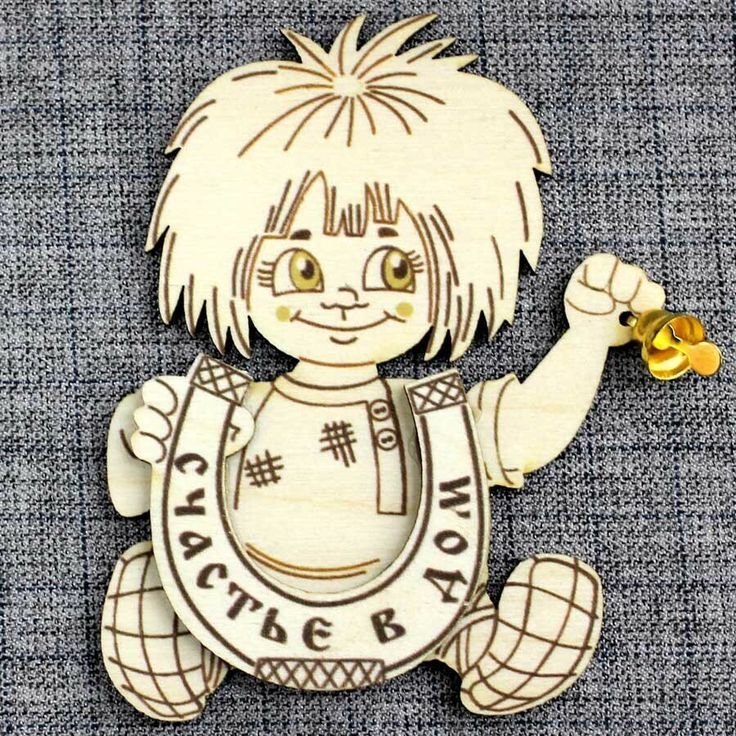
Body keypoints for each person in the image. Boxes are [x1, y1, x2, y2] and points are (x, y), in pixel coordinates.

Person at [102, 14, 664, 721]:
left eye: (395, 268)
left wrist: (586, 339)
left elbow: (524, 431)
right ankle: (174, 638)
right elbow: (134, 493)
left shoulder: (432, 413)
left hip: (420, 615)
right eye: (303, 269)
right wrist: (153, 433)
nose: (344, 298)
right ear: (226, 263)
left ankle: (489, 646)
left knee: (478, 611)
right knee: (162, 586)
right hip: (230, 607)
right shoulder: (232, 406)